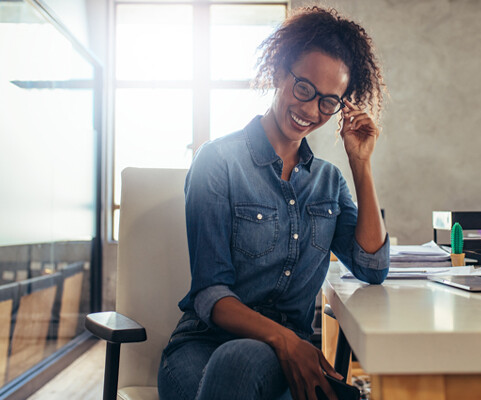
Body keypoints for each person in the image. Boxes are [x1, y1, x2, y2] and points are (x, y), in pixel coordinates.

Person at [157, 6, 390, 400]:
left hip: (286, 360)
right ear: (280, 72)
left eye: (328, 102)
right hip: (204, 351)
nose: (311, 110)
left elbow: (372, 267)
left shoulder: (329, 182)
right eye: (303, 89)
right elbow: (210, 295)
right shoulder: (218, 162)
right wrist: (286, 340)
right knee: (241, 360)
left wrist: (360, 163)